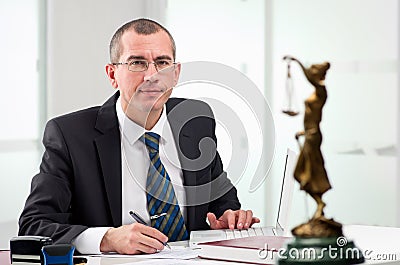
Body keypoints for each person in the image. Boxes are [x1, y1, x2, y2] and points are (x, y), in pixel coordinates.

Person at [18, 18, 260, 255]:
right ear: (112, 75)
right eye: (137, 63)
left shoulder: (196, 121)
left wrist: (229, 217)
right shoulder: (70, 135)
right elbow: (33, 225)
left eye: (162, 62)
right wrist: (106, 239)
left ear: (175, 74)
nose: (151, 75)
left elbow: (221, 199)